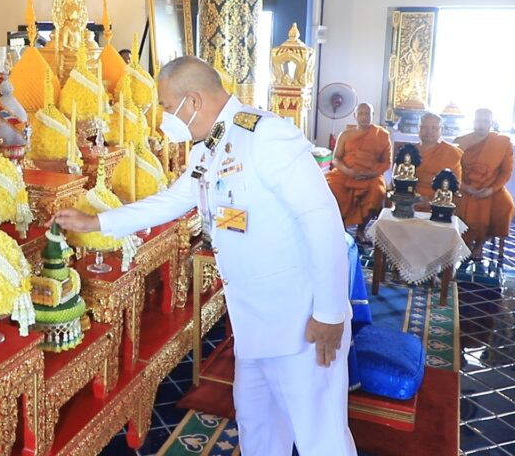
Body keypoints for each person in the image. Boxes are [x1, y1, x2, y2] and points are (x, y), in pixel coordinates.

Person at [53, 56, 356, 455]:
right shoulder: (209, 148)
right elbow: (172, 201)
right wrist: (97, 222)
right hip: (253, 325)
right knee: (258, 429)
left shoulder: (265, 136)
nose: (164, 117)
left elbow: (322, 220)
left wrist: (330, 313)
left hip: (300, 322)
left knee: (321, 439)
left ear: (192, 101)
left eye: (166, 106)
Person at [325, 103, 392, 244]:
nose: (364, 117)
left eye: (367, 114)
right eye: (361, 113)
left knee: (378, 191)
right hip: (345, 173)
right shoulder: (345, 135)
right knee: (332, 187)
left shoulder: (382, 135)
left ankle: (361, 230)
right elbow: (336, 159)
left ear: (372, 115)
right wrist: (349, 171)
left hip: (371, 175)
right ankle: (341, 228)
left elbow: (387, 162)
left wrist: (370, 174)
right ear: (355, 116)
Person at [454, 109, 515, 261]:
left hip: (491, 186)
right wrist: (464, 187)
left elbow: (506, 172)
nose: (481, 125)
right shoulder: (461, 141)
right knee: (457, 203)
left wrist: (491, 189)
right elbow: (453, 169)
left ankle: (480, 243)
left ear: (491, 123)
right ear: (473, 121)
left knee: (505, 205)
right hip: (464, 186)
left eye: (485, 121)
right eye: (478, 121)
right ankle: (464, 242)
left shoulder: (502, 143)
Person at [414, 113, 463, 210]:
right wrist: (415, 199)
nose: (429, 131)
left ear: (442, 130)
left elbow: (457, 184)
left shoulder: (453, 153)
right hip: (411, 200)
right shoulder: (409, 152)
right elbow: (398, 180)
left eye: (434, 128)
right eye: (424, 127)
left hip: (442, 201)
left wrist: (433, 200)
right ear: (418, 129)